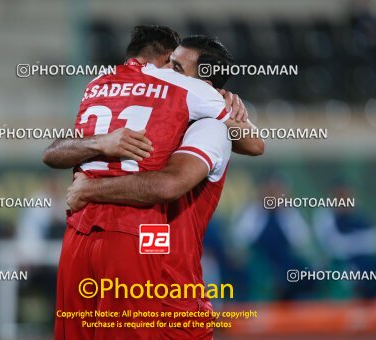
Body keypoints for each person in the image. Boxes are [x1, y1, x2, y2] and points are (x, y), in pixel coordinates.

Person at [61, 35, 264, 339]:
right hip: (130, 269)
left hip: (172, 292)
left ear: (205, 83)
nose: (164, 73)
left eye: (177, 68)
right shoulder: (158, 120)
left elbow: (168, 185)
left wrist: (89, 190)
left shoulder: (208, 128)